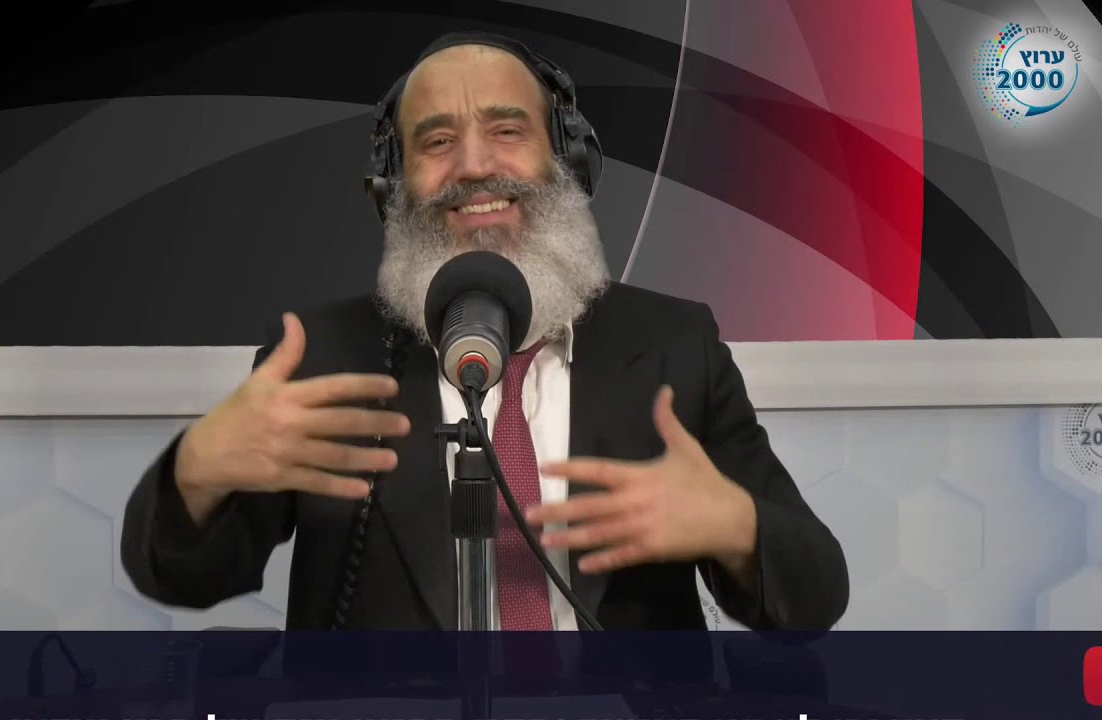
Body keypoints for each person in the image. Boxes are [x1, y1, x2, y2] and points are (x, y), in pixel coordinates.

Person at [120, 31, 849, 633]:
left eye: (507, 130)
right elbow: (185, 578)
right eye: (437, 141)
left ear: (567, 158)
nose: (473, 166)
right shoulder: (322, 357)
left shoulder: (674, 344)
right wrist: (195, 473)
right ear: (393, 184)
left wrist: (739, 529)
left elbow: (815, 597)